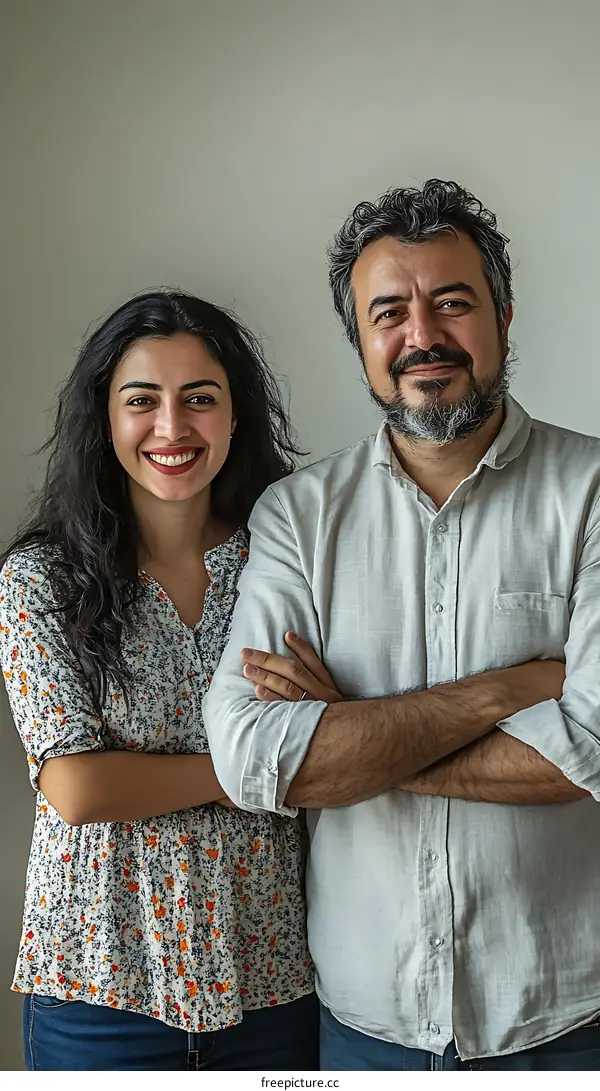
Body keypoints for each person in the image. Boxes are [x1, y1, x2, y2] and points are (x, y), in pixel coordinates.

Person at [203, 179, 600, 1071]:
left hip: (564, 1023)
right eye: (390, 312)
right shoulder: (297, 517)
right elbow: (251, 755)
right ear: (362, 342)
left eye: (451, 303)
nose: (422, 336)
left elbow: (597, 744)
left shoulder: (593, 494)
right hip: (361, 1027)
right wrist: (511, 689)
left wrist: (356, 741)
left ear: (502, 313)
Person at [0, 289, 318, 1071]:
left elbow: (338, 742)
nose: (172, 428)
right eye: (141, 400)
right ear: (104, 418)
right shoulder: (40, 580)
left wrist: (315, 739)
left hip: (273, 982)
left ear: (235, 414)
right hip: (99, 990)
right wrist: (259, 763)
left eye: (199, 399)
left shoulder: (289, 566)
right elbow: (75, 786)